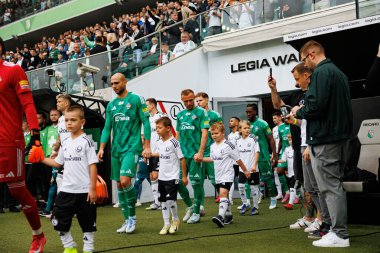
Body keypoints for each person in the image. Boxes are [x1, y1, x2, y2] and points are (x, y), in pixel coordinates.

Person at [292, 40, 352, 247]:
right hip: (339, 137)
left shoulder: (322, 73)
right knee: (333, 186)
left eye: (303, 60)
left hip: (327, 138)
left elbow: (315, 106)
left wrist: (298, 111)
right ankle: (337, 231)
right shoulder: (339, 73)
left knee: (330, 188)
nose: (305, 66)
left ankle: (340, 234)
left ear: (311, 54)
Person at [0, 37, 46, 252]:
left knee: (17, 190)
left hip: (9, 141)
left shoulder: (13, 70)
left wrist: (35, 134)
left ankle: (38, 235)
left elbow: (28, 103)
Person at [39, 106, 98, 253]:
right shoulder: (65, 142)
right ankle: (69, 247)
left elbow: (92, 166)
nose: (69, 123)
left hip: (85, 191)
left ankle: (88, 249)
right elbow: (57, 163)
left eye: (73, 120)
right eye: (66, 120)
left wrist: (92, 188)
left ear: (82, 121)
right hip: (66, 190)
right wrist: (41, 158)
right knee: (57, 219)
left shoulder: (86, 141)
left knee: (88, 223)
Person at [98, 72, 151, 234]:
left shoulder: (137, 99)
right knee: (119, 184)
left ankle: (133, 218)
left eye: (117, 83)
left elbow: (146, 123)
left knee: (125, 180)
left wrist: (147, 146)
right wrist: (101, 148)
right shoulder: (111, 105)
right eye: (112, 83)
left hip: (132, 147)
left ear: (125, 82)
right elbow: (107, 128)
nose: (114, 86)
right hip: (116, 149)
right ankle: (126, 220)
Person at [203, 122, 250, 227]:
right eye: (212, 134)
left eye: (216, 133)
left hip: (227, 175)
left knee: (223, 194)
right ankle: (228, 215)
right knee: (225, 196)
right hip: (218, 175)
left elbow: (238, 159)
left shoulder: (229, 145)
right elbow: (212, 159)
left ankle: (220, 216)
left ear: (223, 133)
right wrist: (201, 159)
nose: (214, 135)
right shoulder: (212, 146)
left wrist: (245, 170)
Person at [176, 89, 210, 224]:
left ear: (194, 98)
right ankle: (190, 206)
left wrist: (201, 151)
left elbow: (204, 133)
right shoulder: (180, 115)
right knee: (177, 182)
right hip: (182, 155)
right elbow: (177, 135)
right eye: (186, 101)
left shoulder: (202, 113)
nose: (189, 103)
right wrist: (175, 151)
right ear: (182, 100)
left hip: (195, 154)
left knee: (196, 183)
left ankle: (196, 212)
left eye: (191, 100)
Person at [153, 117, 188, 235]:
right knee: (163, 201)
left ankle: (175, 220)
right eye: (156, 128)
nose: (157, 130)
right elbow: (160, 154)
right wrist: (150, 154)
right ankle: (166, 224)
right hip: (162, 177)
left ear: (168, 128)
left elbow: (182, 159)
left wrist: (184, 176)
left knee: (170, 201)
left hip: (173, 176)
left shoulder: (174, 142)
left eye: (160, 127)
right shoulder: (159, 142)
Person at [246, 103, 278, 209]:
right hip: (250, 157)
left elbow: (271, 139)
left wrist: (275, 155)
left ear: (255, 112)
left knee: (267, 178)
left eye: (250, 112)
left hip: (262, 156)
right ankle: (251, 199)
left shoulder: (262, 123)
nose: (248, 114)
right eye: (247, 112)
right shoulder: (245, 125)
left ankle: (273, 198)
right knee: (250, 179)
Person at [195, 92, 222, 214]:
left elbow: (220, 130)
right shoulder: (195, 115)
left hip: (212, 152)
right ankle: (200, 207)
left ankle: (225, 199)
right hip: (198, 152)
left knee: (215, 180)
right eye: (197, 101)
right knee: (198, 181)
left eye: (200, 100)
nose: (198, 103)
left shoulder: (214, 115)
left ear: (207, 100)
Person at [145, 98, 166, 211]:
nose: (145, 107)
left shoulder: (161, 117)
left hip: (159, 151)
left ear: (152, 105)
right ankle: (156, 202)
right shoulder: (147, 119)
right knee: (151, 176)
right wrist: (145, 151)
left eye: (147, 105)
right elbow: (144, 136)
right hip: (150, 152)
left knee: (156, 175)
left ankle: (161, 201)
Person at [236, 120, 260, 215]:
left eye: (248, 128)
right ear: (240, 130)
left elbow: (257, 152)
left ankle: (255, 207)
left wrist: (254, 165)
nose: (247, 130)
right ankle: (245, 204)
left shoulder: (253, 139)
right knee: (241, 186)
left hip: (252, 169)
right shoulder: (237, 141)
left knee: (253, 188)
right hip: (242, 169)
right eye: (245, 128)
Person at [40, 108, 61, 217]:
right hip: (48, 158)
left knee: (56, 182)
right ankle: (50, 207)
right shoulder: (48, 128)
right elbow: (44, 142)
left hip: (59, 158)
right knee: (51, 182)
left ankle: (51, 209)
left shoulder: (62, 126)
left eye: (55, 115)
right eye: (51, 115)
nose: (53, 117)